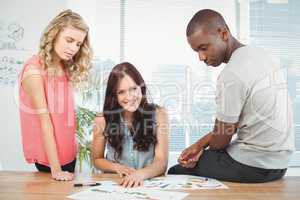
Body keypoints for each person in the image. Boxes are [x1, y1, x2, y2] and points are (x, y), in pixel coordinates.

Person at [168, 9, 295, 183]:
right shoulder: (264, 56)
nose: (201, 57)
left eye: (203, 48)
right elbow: (233, 125)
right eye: (196, 51)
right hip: (280, 165)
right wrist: (200, 144)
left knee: (177, 170)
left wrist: (202, 151)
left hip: (253, 167)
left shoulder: (232, 74)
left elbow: (221, 141)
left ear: (223, 33)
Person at [18, 9, 92, 181]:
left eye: (78, 44)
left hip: (70, 157)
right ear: (54, 34)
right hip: (51, 164)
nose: (73, 48)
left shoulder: (63, 66)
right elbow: (46, 123)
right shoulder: (34, 71)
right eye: (69, 40)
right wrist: (56, 170)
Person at [92, 62, 169, 187]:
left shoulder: (160, 114)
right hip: (116, 183)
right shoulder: (102, 120)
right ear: (114, 96)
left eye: (134, 89)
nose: (130, 96)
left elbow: (161, 163)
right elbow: (97, 160)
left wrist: (140, 175)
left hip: (147, 183)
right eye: (121, 92)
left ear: (141, 87)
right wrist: (116, 167)